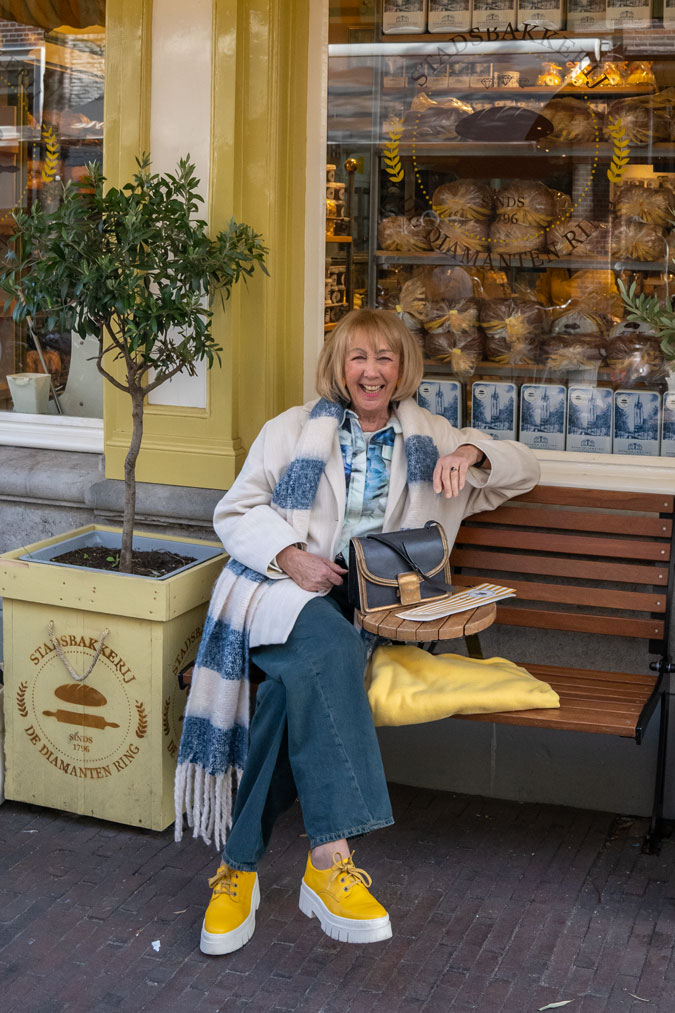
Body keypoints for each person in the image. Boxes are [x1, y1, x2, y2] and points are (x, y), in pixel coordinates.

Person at [174, 308, 540, 956]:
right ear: (339, 367)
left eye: (385, 357)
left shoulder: (429, 437)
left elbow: (523, 469)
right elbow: (235, 510)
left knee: (292, 694)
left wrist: (471, 450)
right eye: (357, 357)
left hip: (377, 607)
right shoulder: (289, 431)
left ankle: (237, 868)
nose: (371, 370)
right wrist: (290, 553)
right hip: (284, 591)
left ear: (402, 367)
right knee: (331, 648)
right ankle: (330, 856)